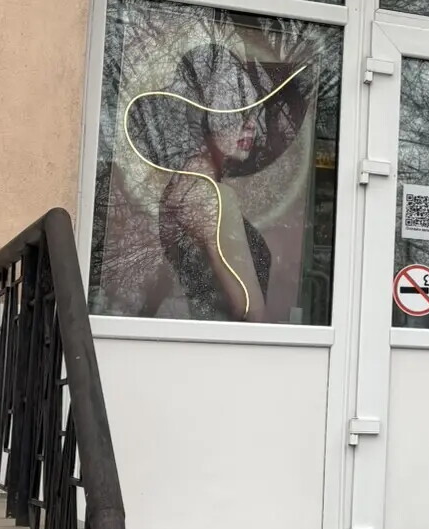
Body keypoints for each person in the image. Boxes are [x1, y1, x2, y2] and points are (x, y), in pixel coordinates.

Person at [122, 41, 313, 321]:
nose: (251, 122)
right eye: (234, 107)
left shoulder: (182, 189)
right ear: (202, 116)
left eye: (253, 110)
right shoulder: (211, 198)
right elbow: (250, 311)